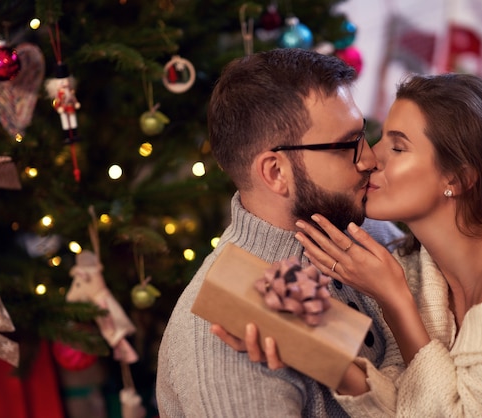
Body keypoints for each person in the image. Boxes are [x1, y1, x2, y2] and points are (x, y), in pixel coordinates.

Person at [236, 73, 482, 416]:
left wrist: (395, 302)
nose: (370, 159)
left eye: (398, 147)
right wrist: (301, 344)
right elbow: (408, 406)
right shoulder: (418, 272)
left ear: (457, 178)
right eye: (381, 139)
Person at [155, 48, 406, 417]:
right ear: (275, 173)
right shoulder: (226, 334)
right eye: (346, 146)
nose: (368, 159)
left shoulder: (362, 225)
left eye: (363, 134)